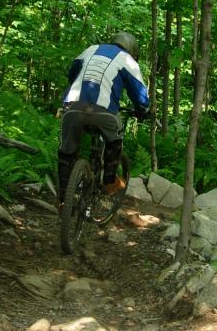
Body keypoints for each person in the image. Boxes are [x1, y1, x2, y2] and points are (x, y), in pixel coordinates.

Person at [57, 32, 150, 204]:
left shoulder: (91, 49)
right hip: (103, 112)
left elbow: (72, 74)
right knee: (115, 136)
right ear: (132, 50)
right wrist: (143, 111)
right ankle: (109, 182)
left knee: (66, 152)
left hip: (72, 107)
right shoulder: (128, 61)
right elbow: (141, 97)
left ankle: (63, 199)